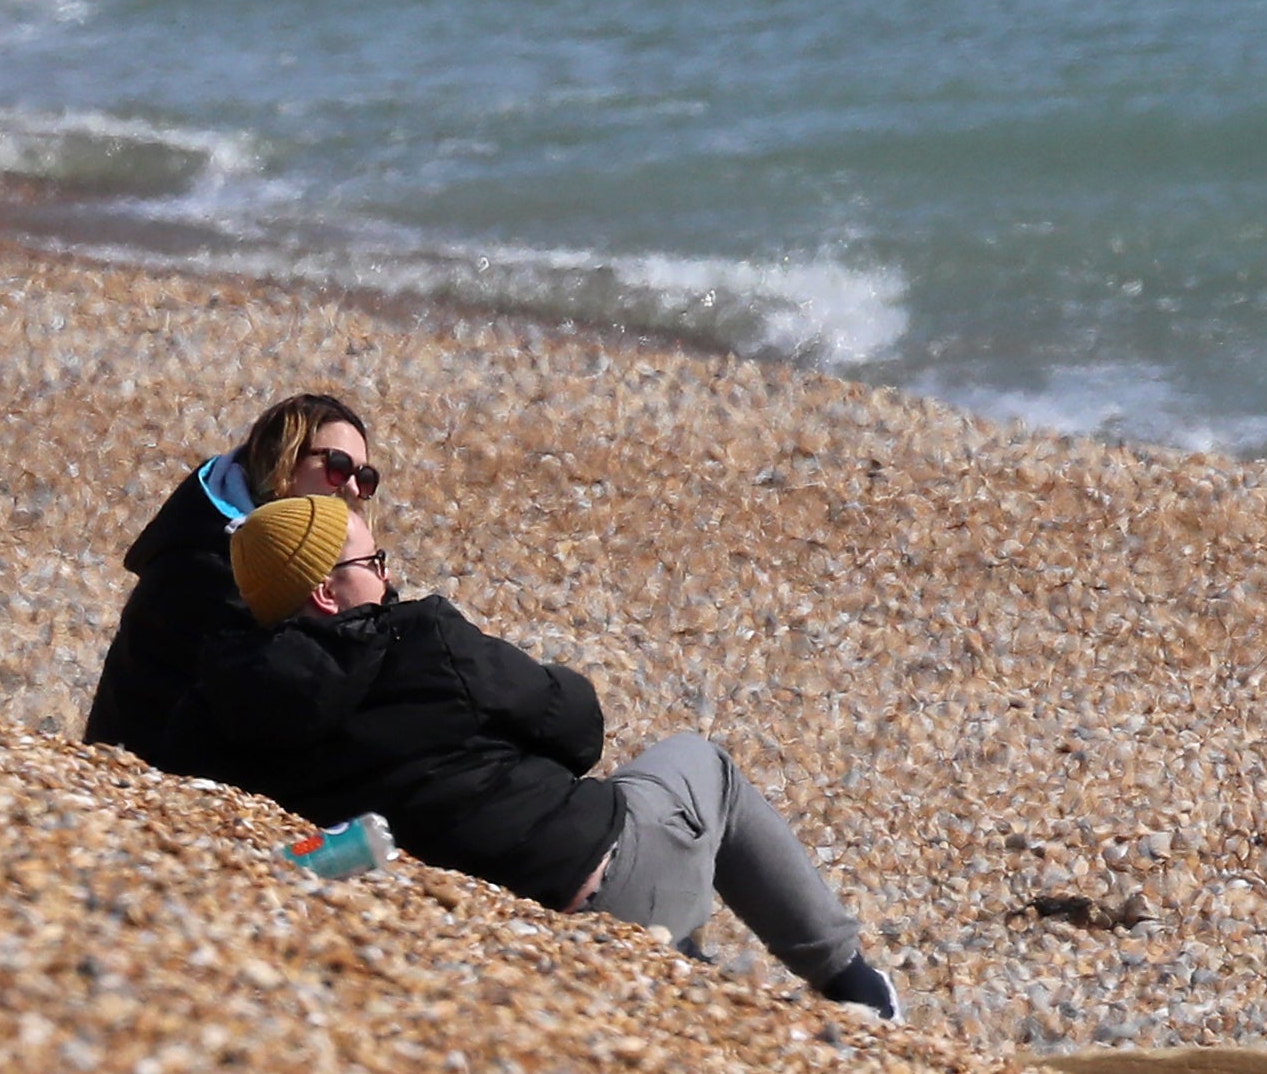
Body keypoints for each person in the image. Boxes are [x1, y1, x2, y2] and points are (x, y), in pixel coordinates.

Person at [196, 488, 902, 1019]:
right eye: (372, 562)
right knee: (698, 762)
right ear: (326, 590)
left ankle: (691, 969)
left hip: (492, 929)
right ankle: (852, 981)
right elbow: (577, 729)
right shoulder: (421, 639)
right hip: (595, 882)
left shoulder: (232, 712)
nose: (386, 576)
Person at [84, 389, 371, 780]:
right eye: (338, 467)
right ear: (283, 459)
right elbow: (296, 685)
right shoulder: (207, 565)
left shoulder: (250, 545)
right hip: (141, 775)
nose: (353, 490)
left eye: (365, 478)